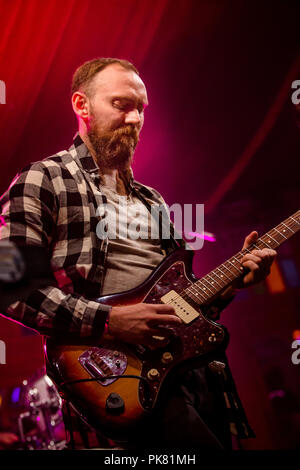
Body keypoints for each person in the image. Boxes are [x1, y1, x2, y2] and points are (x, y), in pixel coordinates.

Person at [0, 58, 276, 450]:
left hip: (193, 374)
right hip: (118, 380)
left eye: (141, 108)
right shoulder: (44, 179)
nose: (134, 118)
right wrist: (111, 321)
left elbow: (181, 304)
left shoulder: (153, 200)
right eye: (121, 105)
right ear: (82, 106)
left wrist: (233, 284)